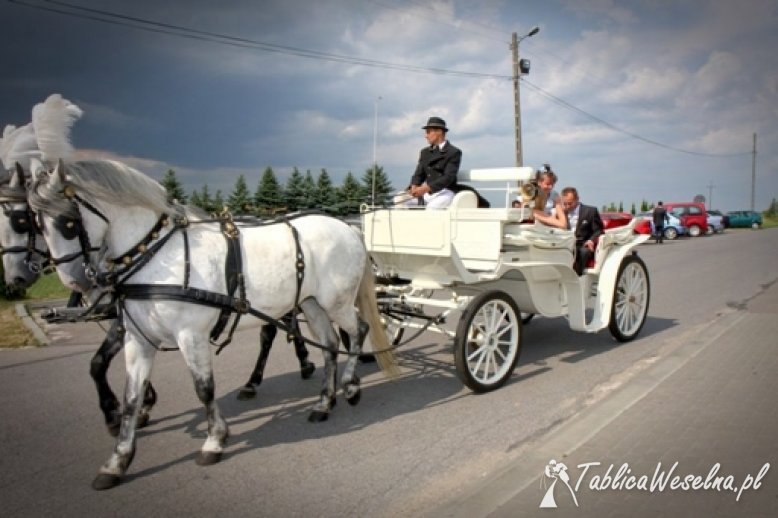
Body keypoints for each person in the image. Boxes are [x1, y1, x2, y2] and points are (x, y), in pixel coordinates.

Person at [404, 116, 462, 209]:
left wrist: (427, 188)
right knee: (400, 199)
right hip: (426, 193)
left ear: (439, 132)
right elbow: (419, 173)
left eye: (428, 132)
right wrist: (414, 186)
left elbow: (448, 177)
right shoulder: (425, 152)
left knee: (432, 208)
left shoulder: (454, 152)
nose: (425, 136)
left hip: (445, 192)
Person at [561, 186, 603, 275]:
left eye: (570, 203)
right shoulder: (561, 212)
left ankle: (575, 276)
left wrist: (591, 240)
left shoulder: (591, 211)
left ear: (577, 199)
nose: (567, 206)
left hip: (583, 244)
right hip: (565, 243)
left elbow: (598, 230)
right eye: (565, 204)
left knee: (583, 252)